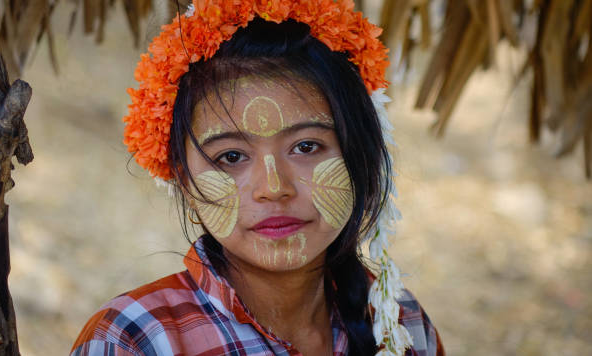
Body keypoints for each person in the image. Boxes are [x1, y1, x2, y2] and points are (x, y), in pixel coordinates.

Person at [70, 1, 444, 355]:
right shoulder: (135, 341)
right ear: (183, 179)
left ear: (360, 155)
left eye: (306, 147)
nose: (274, 188)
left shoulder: (401, 323)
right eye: (231, 157)